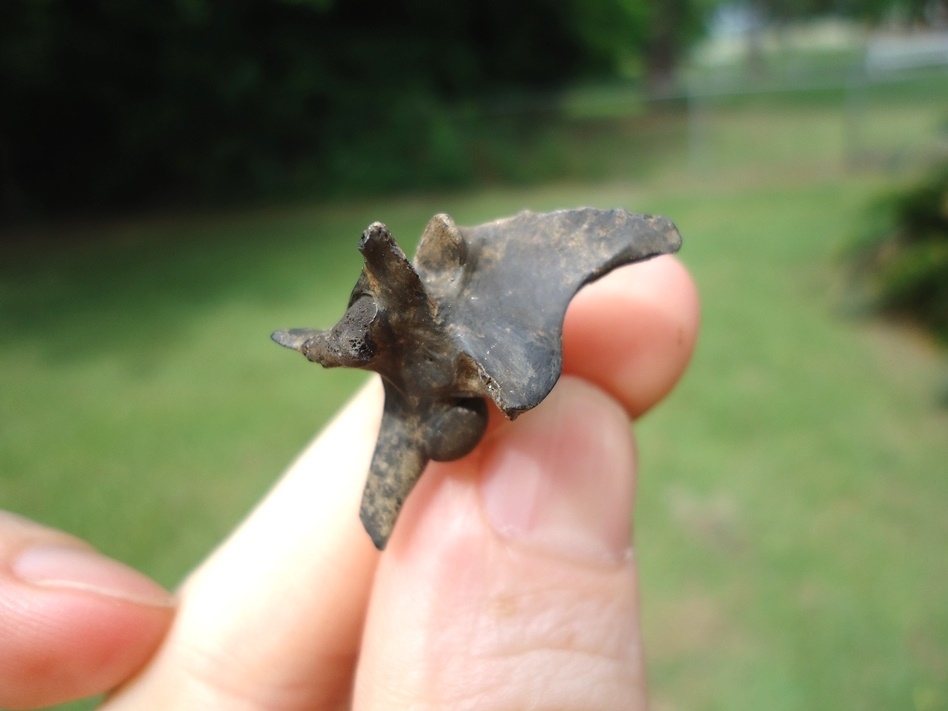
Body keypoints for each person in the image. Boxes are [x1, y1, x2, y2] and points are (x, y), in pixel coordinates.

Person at [0, 256, 699, 710]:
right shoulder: (406, 386)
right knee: (387, 492)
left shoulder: (446, 318)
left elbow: (404, 281)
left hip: (471, 368)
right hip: (441, 399)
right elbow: (379, 488)